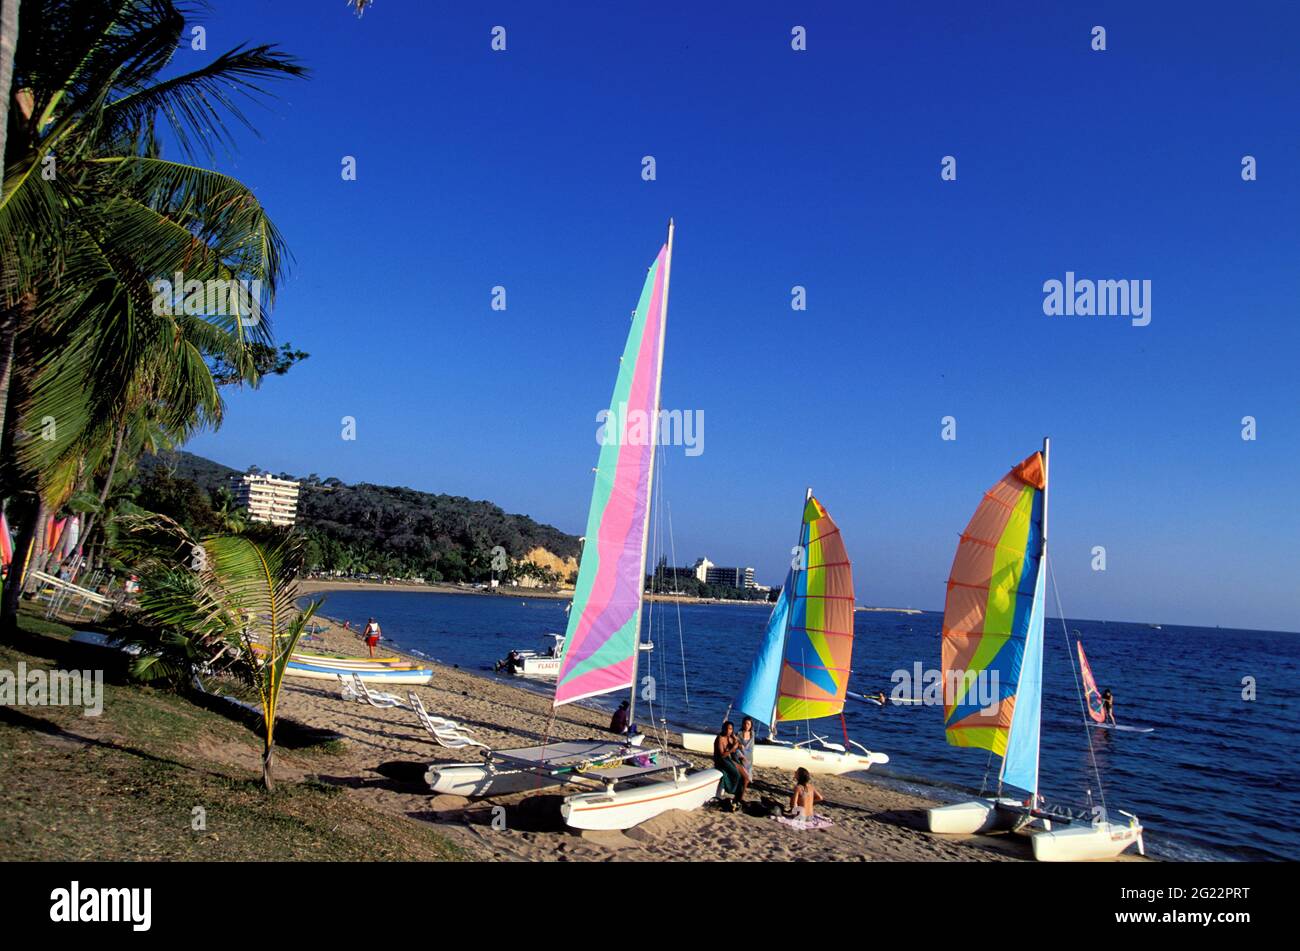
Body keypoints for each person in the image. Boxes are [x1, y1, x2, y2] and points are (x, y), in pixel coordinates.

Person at [713, 721, 748, 808]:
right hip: (721, 761)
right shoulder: (720, 739)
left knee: (746, 778)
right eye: (727, 729)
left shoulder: (730, 737)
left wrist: (736, 742)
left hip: (729, 759)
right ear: (723, 729)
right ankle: (734, 794)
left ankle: (739, 799)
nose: (729, 731)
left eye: (731, 729)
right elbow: (722, 755)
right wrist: (732, 749)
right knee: (736, 774)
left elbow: (739, 747)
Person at [733, 716, 756, 788]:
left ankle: (748, 781)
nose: (746, 726)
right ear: (743, 724)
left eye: (748, 724)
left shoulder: (752, 734)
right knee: (742, 769)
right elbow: (735, 747)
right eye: (745, 724)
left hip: (749, 755)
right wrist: (741, 754)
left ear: (751, 725)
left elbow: (751, 747)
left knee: (749, 769)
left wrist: (745, 752)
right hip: (740, 755)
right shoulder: (739, 733)